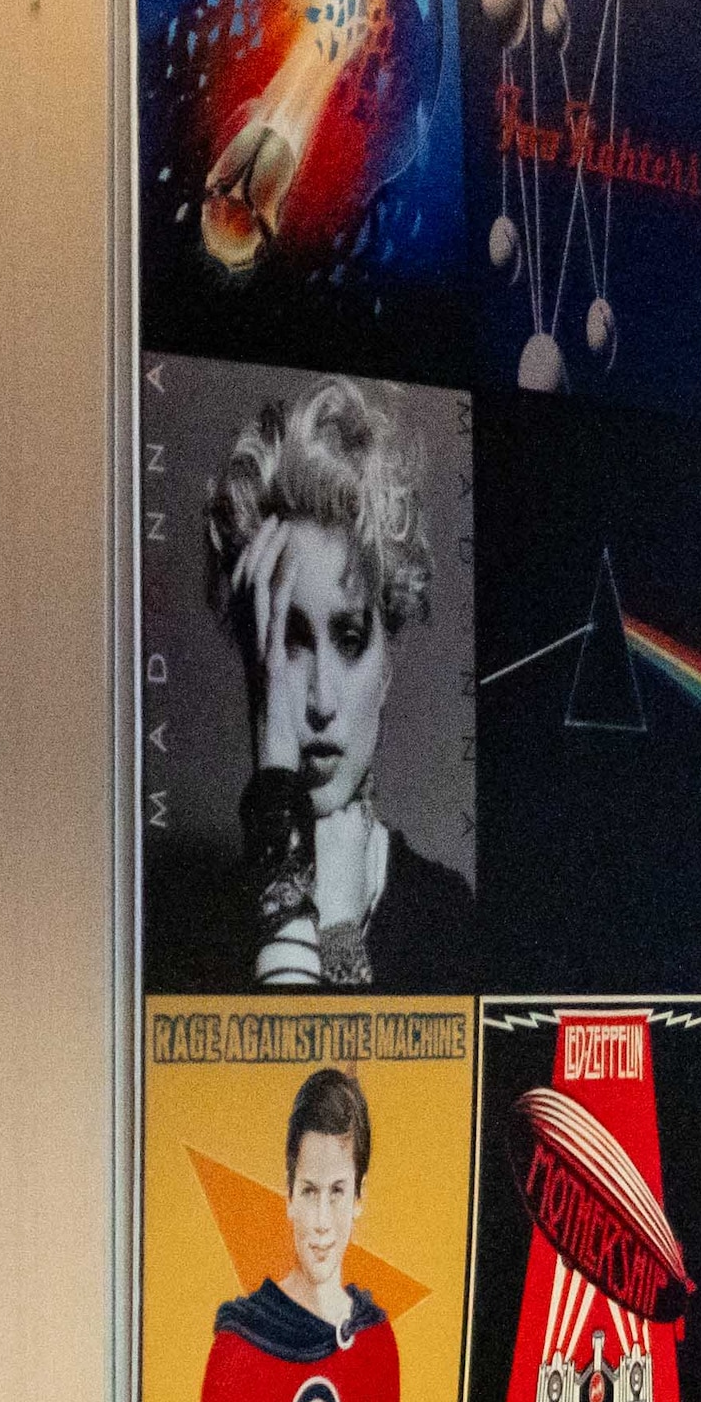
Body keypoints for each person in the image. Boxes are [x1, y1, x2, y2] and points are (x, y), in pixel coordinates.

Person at [186, 379, 470, 987]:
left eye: (348, 641)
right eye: (289, 642)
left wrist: (341, 940)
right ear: (253, 662)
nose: (318, 701)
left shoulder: (449, 919)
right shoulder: (195, 934)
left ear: (387, 665)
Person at [187, 1070, 409, 1402]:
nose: (321, 1223)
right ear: (286, 1194)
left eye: (338, 1193)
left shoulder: (377, 1345)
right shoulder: (236, 1350)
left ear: (360, 1199)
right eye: (309, 1192)